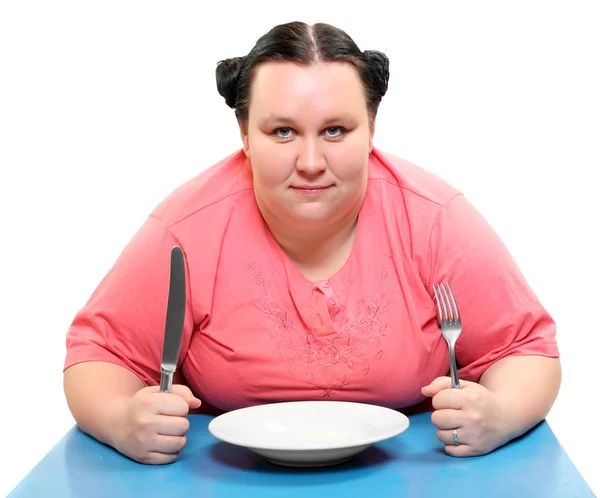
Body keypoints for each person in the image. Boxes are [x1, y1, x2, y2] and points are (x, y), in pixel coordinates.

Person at [63, 21, 561, 465]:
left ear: (371, 130)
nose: (310, 161)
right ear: (243, 134)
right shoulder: (185, 231)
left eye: (335, 130)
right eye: (282, 131)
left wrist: (500, 413)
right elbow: (99, 354)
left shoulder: (436, 220)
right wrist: (120, 419)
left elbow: (525, 348)